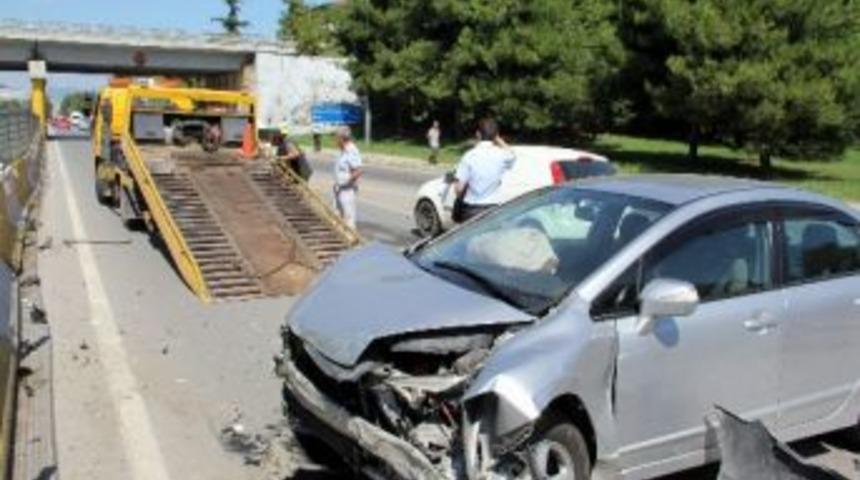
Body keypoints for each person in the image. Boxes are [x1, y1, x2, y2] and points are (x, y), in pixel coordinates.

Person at [453, 118, 514, 222]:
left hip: (471, 210)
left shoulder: (469, 156)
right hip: (493, 210)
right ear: (496, 136)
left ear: (478, 134)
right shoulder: (502, 155)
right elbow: (512, 154)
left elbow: (459, 189)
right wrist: (498, 139)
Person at [332, 126, 363, 229]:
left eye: (336, 137)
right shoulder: (342, 150)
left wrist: (346, 181)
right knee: (337, 216)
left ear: (342, 138)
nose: (335, 140)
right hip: (339, 188)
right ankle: (340, 238)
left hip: (347, 190)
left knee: (348, 217)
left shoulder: (351, 150)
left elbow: (358, 171)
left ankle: (350, 240)